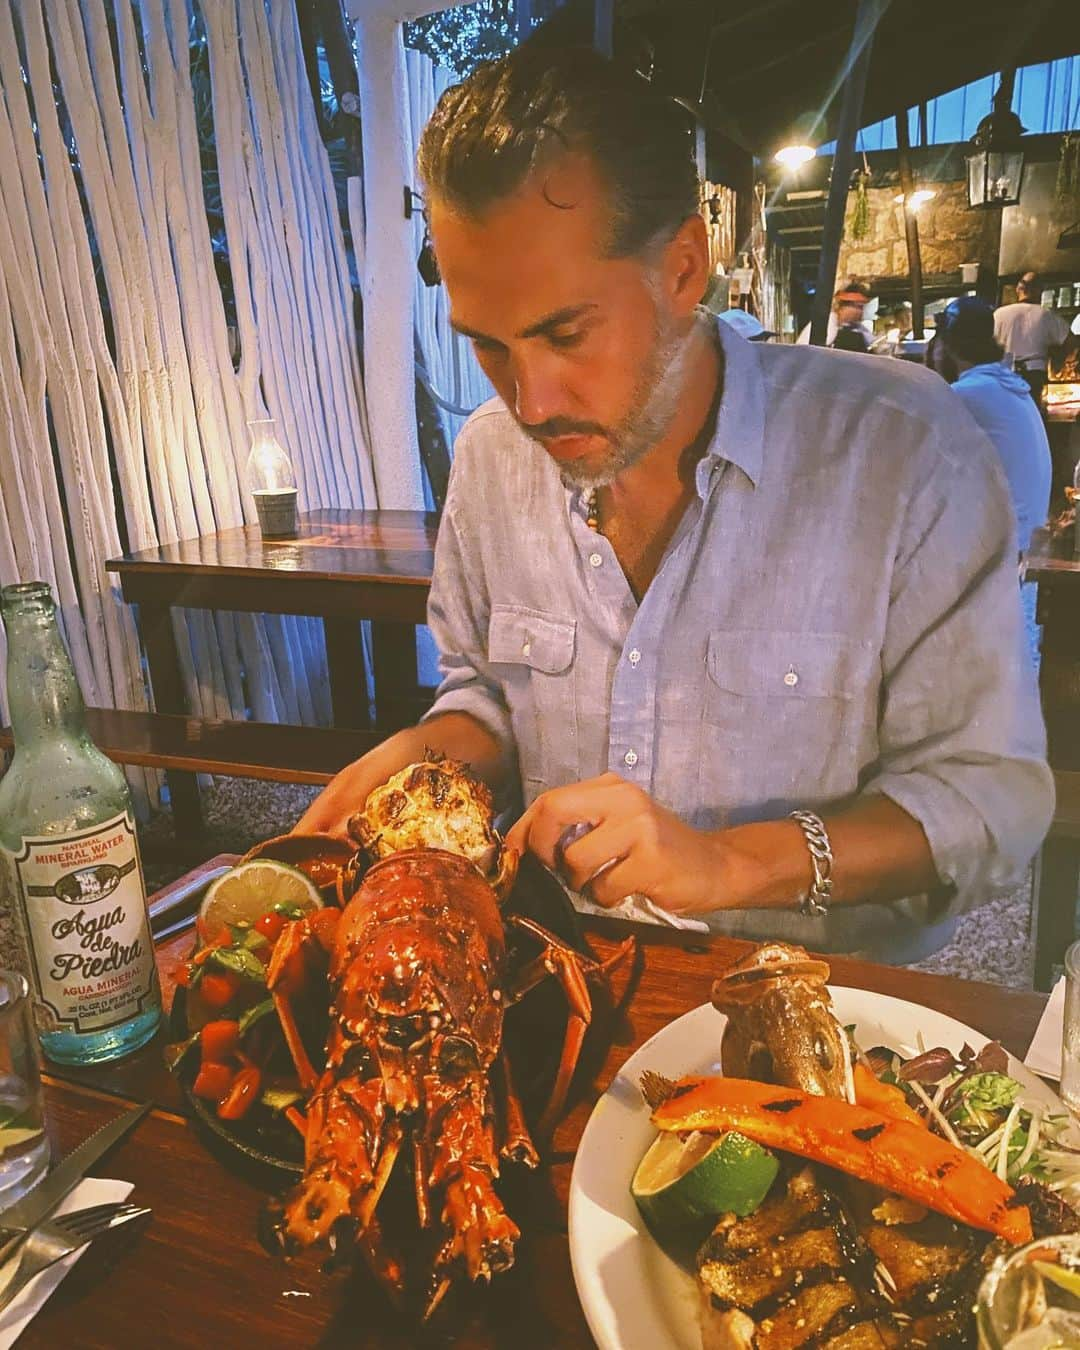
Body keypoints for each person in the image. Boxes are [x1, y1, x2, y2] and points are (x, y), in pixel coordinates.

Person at [297, 45, 1051, 963]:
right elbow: (491, 695)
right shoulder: (492, 457)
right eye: (488, 347)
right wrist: (432, 752)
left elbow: (987, 801)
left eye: (566, 334)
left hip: (822, 1015)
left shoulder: (901, 449)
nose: (530, 403)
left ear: (684, 269)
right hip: (563, 984)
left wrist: (726, 865)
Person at [928, 297, 1051, 555]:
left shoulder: (966, 394)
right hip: (1023, 546)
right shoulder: (1006, 385)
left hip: (1002, 559)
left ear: (945, 347)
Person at [994, 272, 1071, 405]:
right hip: (1033, 375)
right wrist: (1060, 361)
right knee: (1030, 412)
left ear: (1018, 290)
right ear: (1039, 291)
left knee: (1005, 411)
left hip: (1003, 373)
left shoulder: (998, 314)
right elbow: (1071, 341)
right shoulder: (1046, 315)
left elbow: (985, 346)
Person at [796, 282, 873, 350]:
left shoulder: (857, 327)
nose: (861, 312)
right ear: (844, 306)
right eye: (858, 307)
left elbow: (873, 343)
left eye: (862, 308)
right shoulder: (827, 323)